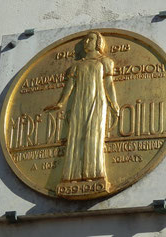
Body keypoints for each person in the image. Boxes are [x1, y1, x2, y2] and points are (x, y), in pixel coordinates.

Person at [44, 31, 119, 184]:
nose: (86, 43)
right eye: (85, 40)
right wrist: (60, 102)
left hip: (97, 102)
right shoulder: (77, 65)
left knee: (94, 135)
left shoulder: (105, 62)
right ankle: (73, 176)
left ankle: (95, 174)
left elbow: (109, 85)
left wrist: (114, 103)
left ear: (99, 42)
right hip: (79, 103)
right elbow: (69, 86)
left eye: (90, 39)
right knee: (76, 137)